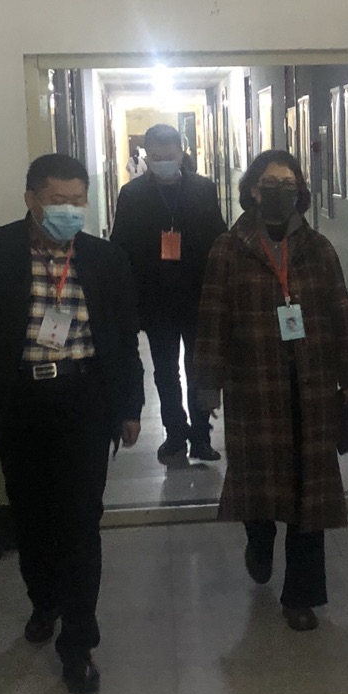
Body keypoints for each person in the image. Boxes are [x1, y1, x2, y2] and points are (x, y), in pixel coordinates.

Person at [0, 153, 145, 694]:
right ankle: (44, 599)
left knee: (81, 519)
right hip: (21, 402)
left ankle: (79, 644)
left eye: (78, 200)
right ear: (31, 199)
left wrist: (130, 406)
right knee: (31, 514)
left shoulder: (105, 258)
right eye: (57, 201)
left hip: (84, 399)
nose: (69, 210)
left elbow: (124, 337)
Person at [194, 149, 348, 631]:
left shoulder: (318, 248)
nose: (279, 192)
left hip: (312, 388)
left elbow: (340, 313)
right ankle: (259, 536)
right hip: (254, 388)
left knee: (311, 494)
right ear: (252, 190)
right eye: (270, 184)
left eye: (289, 185)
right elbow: (212, 318)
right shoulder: (229, 249)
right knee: (258, 482)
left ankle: (300, 597)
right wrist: (207, 385)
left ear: (300, 193)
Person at [110, 124, 227, 463]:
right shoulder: (132, 194)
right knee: (165, 370)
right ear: (147, 156)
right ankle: (175, 433)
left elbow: (218, 238)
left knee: (198, 368)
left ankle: (201, 436)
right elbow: (121, 248)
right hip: (155, 298)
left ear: (181, 153)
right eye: (156, 156)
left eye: (169, 155)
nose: (163, 161)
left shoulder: (203, 189)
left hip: (197, 295)